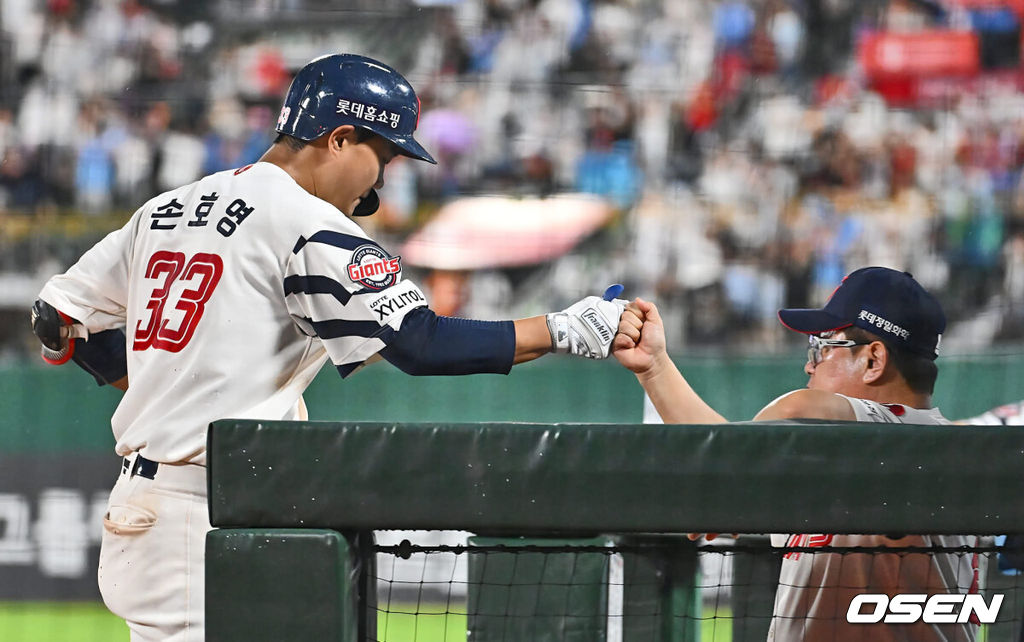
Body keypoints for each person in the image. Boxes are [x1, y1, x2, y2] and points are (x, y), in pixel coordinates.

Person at [30, 53, 626, 642]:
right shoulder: (306, 220)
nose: (382, 181)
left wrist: (157, 382)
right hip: (200, 520)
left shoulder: (165, 208)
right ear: (340, 138)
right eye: (384, 154)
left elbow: (56, 318)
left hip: (154, 507)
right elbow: (421, 344)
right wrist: (562, 329)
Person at [613, 266, 980, 642]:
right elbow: (725, 450)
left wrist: (726, 475)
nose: (809, 364)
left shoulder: (913, 438)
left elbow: (791, 413)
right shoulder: (837, 455)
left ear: (873, 361)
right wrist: (655, 367)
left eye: (823, 348)